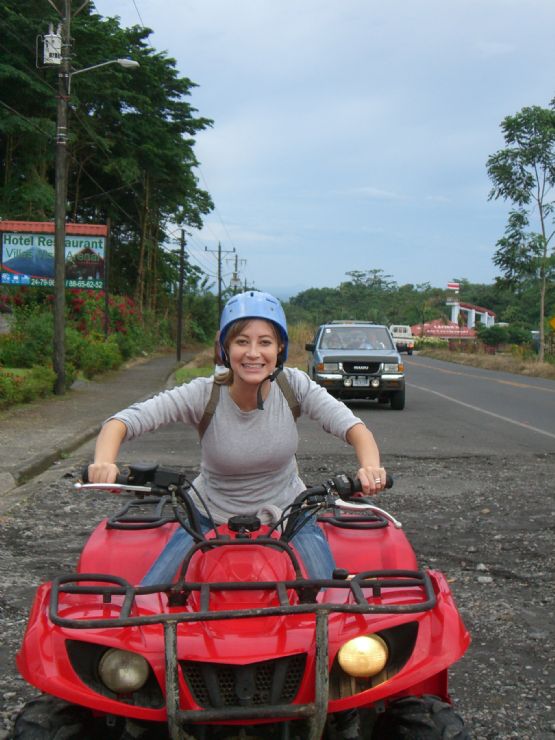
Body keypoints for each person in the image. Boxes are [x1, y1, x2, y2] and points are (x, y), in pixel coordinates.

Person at [88, 291, 386, 584]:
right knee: (151, 596)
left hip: (289, 512)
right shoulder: (203, 394)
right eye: (242, 341)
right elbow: (122, 422)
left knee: (326, 597)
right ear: (225, 348)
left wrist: (370, 467)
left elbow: (354, 429)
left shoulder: (293, 386)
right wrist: (104, 462)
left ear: (280, 348)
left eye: (265, 342)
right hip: (209, 514)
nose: (253, 353)